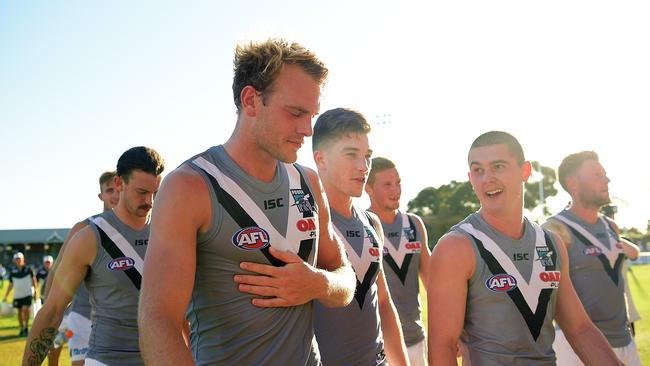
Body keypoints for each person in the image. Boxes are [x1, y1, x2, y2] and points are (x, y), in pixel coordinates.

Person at [138, 38, 356, 366]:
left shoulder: (308, 182)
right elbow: (158, 321)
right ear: (251, 100)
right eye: (296, 113)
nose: (308, 129)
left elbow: (346, 278)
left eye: (312, 115)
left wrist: (317, 283)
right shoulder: (190, 186)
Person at [427, 131, 621, 365]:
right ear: (470, 177)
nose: (487, 178)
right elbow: (442, 346)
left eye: (498, 166)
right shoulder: (457, 246)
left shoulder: (551, 244)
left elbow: (580, 329)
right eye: (478, 170)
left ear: (525, 171)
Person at [22, 146, 165, 366]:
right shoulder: (89, 236)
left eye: (155, 193)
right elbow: (53, 310)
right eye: (142, 192)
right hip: (108, 359)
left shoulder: (170, 230)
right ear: (119, 183)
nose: (150, 202)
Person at [312, 108, 409, 365]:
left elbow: (384, 304)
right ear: (321, 159)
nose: (363, 166)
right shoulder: (302, 224)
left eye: (367, 156)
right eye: (351, 155)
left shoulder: (371, 222)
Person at [543, 151, 641, 366]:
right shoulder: (555, 229)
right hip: (577, 347)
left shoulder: (610, 226)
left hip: (625, 340)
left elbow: (632, 252)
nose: (607, 180)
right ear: (573, 184)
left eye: (604, 174)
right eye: (597, 175)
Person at [43, 170, 120, 365]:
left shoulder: (139, 229)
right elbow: (56, 272)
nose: (115, 195)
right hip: (83, 315)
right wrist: (50, 314)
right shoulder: (86, 229)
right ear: (100, 195)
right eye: (109, 190)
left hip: (119, 321)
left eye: (118, 189)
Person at [366, 156, 430, 366]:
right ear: (368, 188)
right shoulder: (361, 225)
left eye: (398, 183)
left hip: (416, 340)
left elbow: (431, 281)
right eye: (387, 185)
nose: (396, 190)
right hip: (379, 346)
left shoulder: (413, 224)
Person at [3, 252, 37, 336]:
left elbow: (34, 280)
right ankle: (22, 328)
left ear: (23, 259)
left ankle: (26, 327)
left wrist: (35, 290)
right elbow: (10, 284)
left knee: (25, 309)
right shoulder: (13, 271)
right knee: (19, 311)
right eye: (17, 259)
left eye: (20, 259)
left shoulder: (28, 269)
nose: (18, 261)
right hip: (17, 295)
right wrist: (6, 295)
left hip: (27, 294)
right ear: (15, 261)